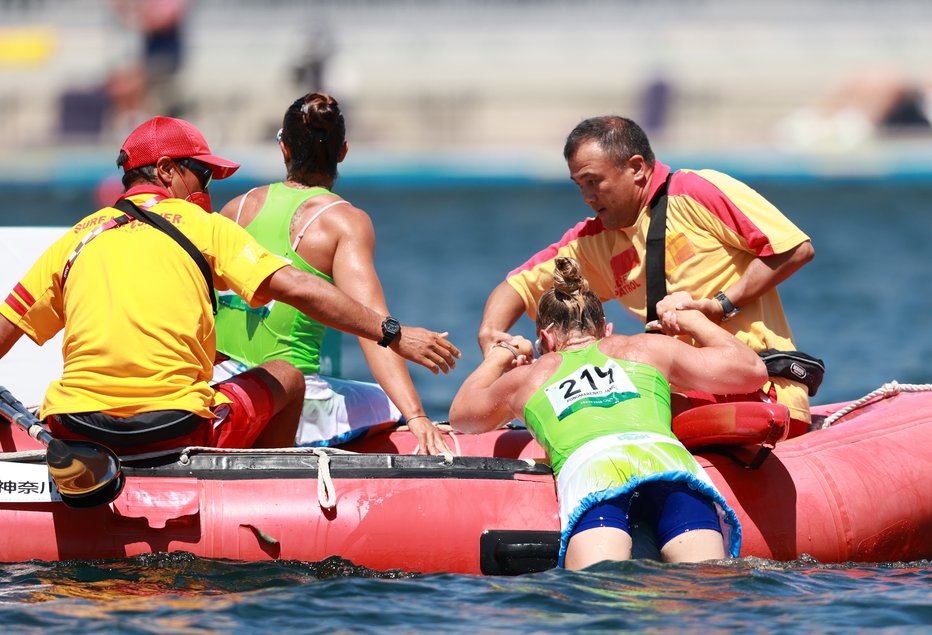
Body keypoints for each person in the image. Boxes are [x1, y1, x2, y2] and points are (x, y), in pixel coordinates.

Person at [0, 116, 459, 456]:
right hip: (173, 428)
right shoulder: (203, 227)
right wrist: (393, 333)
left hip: (76, 428)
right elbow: (297, 287)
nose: (209, 187)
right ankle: (266, 490)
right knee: (287, 376)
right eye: (202, 174)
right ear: (165, 171)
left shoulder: (75, 239)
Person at [478, 115, 815, 436]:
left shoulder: (696, 190)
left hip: (761, 393)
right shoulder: (593, 242)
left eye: (594, 182)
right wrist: (492, 335)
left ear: (637, 168)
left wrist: (720, 305)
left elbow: (793, 249)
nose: (587, 197)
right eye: (579, 185)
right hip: (676, 405)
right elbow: (517, 287)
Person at [453, 257, 767, 569]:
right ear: (606, 330)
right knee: (707, 586)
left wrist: (502, 355)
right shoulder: (647, 349)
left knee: (600, 594)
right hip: (669, 465)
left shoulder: (529, 378)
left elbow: (462, 416)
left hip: (594, 476)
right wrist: (691, 320)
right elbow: (752, 369)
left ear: (545, 340)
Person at [212, 92, 448, 454]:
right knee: (388, 407)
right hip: (295, 399)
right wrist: (416, 416)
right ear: (343, 152)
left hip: (224, 388)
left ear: (284, 149)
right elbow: (373, 325)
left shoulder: (236, 207)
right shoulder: (343, 221)